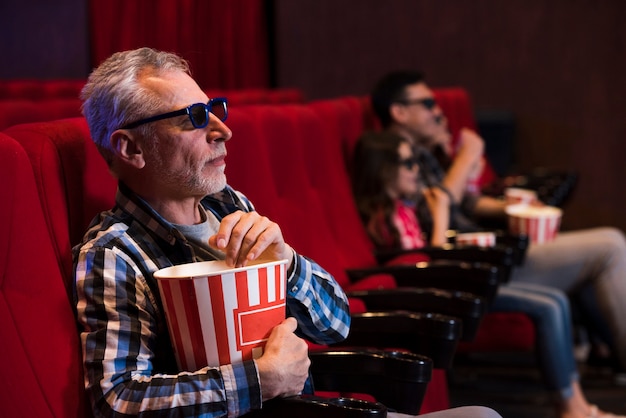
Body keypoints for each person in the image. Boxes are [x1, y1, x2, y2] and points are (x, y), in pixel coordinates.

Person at [73, 47, 502, 418]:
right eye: (194, 118)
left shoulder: (230, 207)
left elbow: (335, 325)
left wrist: (286, 261)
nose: (224, 131)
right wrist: (260, 379)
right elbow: (117, 401)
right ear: (131, 148)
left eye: (215, 110)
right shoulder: (115, 252)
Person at [350, 130, 625, 418]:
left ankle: (577, 404)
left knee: (555, 298)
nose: (416, 171)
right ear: (384, 170)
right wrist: (441, 211)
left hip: (457, 284)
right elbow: (426, 264)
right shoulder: (385, 218)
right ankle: (571, 408)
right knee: (548, 305)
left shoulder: (406, 209)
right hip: (440, 295)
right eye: (408, 164)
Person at [370, 70, 626, 377]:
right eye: (427, 103)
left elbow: (465, 202)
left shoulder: (422, 153)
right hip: (475, 264)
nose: (437, 111)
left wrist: (510, 208)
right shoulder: (394, 158)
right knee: (610, 245)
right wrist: (467, 157)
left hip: (489, 248)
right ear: (398, 111)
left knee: (599, 254)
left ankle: (605, 353)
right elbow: (437, 210)